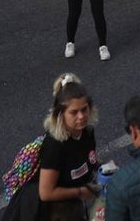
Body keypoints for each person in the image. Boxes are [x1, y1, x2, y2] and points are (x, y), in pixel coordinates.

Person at [37, 74, 100, 219]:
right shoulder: (54, 145)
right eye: (74, 112)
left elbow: (88, 157)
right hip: (59, 212)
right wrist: (80, 192)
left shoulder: (87, 130)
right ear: (60, 114)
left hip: (78, 203)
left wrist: (104, 167)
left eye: (84, 109)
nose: (81, 116)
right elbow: (46, 193)